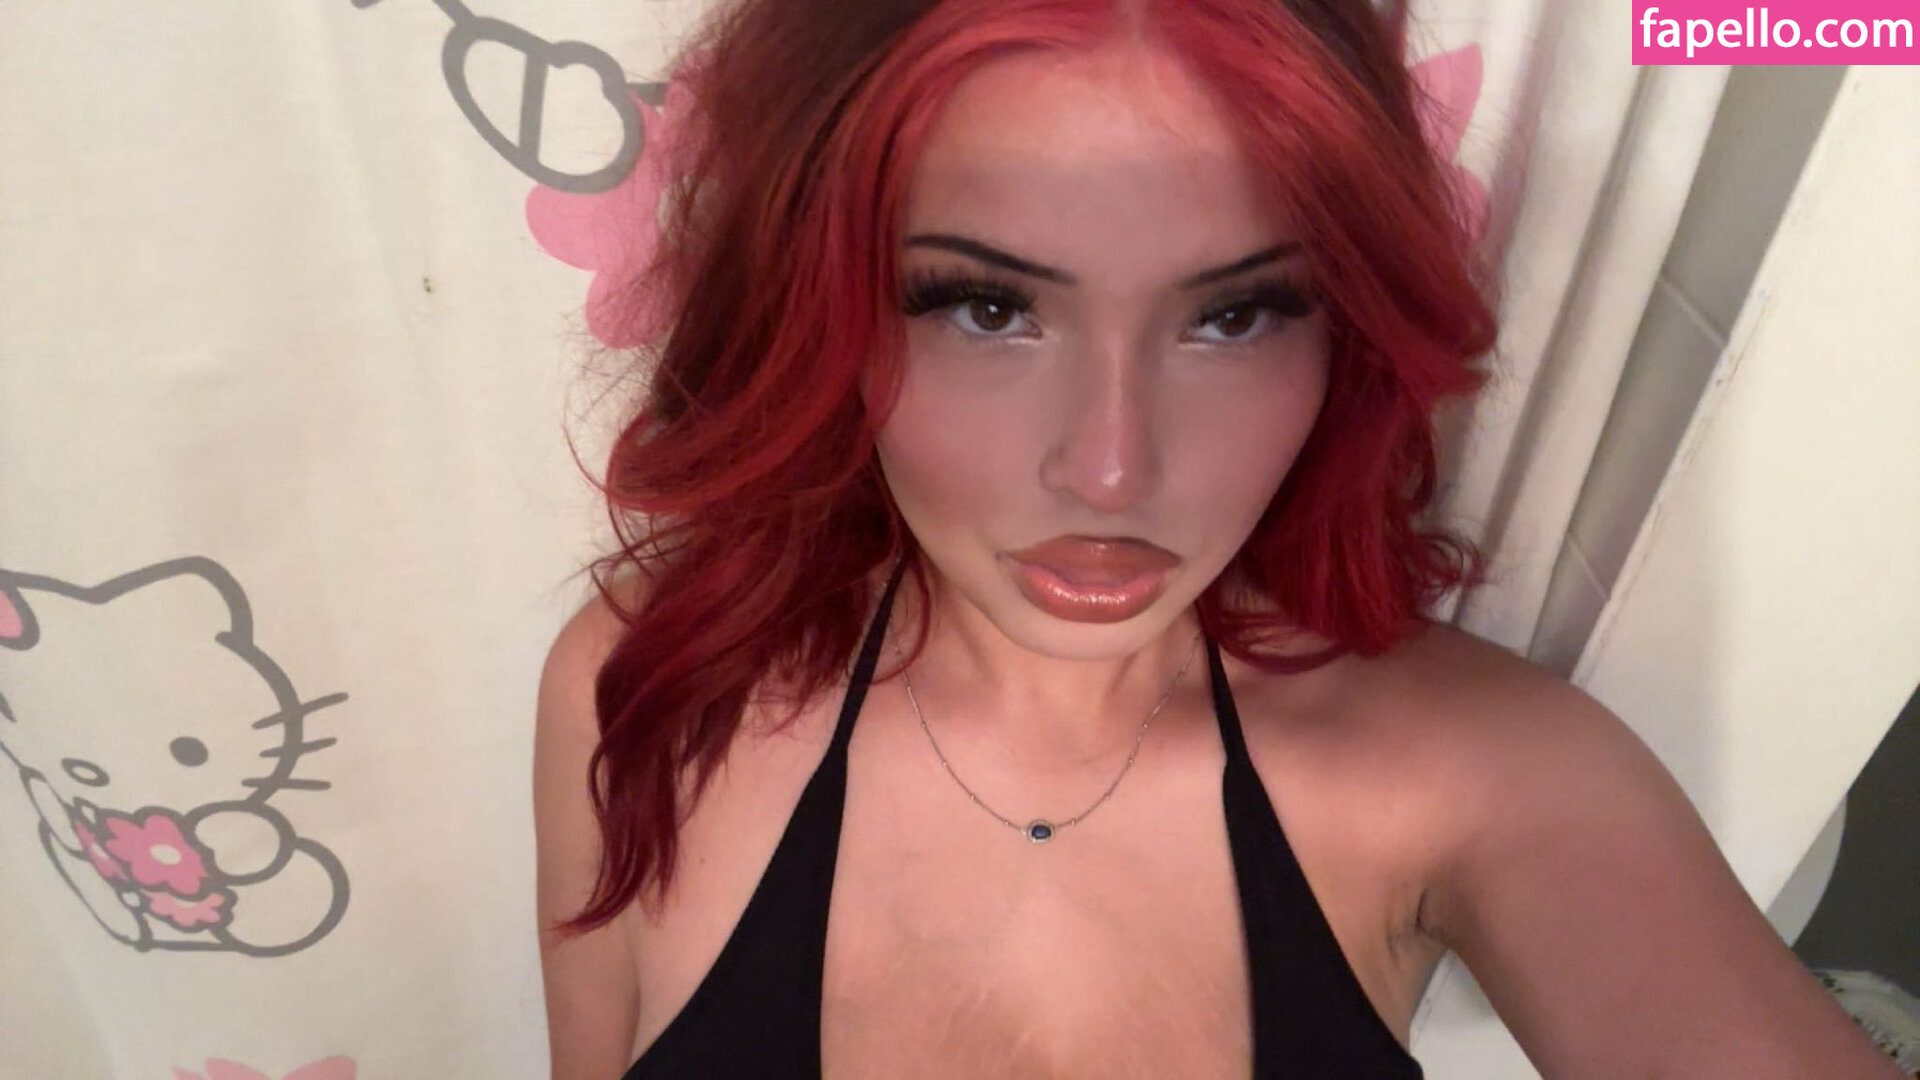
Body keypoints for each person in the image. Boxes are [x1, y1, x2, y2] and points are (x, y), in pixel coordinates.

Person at [532, 1, 1905, 1077]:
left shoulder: (1470, 774)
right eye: (987, 307)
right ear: (820, 305)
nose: (1112, 469)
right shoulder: (655, 687)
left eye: (1234, 315)